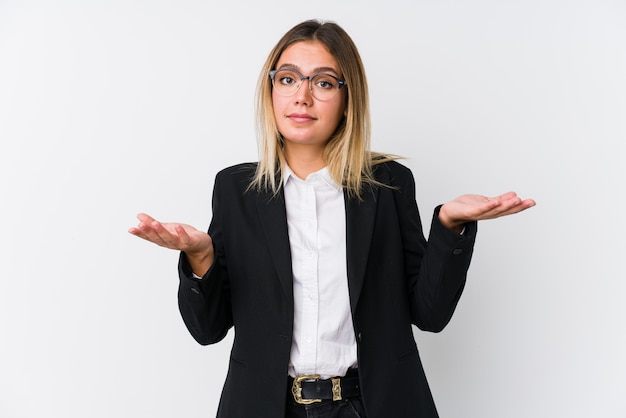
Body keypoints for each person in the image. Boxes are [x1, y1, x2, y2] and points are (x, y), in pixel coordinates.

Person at [129, 19, 535, 418]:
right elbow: (208, 330)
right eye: (288, 79)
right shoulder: (237, 190)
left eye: (323, 82)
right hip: (267, 406)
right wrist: (201, 258)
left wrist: (448, 226)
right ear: (270, 91)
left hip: (371, 405)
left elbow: (429, 315)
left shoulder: (388, 185)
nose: (302, 96)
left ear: (347, 99)